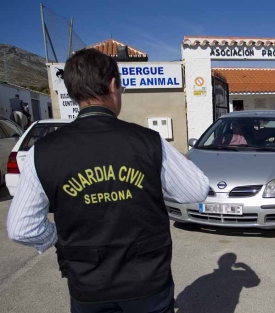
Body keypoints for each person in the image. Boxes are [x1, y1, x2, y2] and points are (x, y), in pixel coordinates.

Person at [7, 48, 210, 313]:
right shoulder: (148, 141)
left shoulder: (42, 151)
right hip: (147, 282)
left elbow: (21, 229)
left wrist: (58, 237)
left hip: (88, 284)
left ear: (73, 91)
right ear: (113, 85)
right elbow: (197, 190)